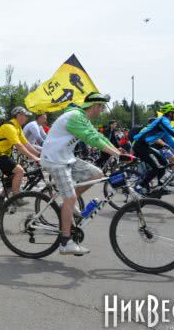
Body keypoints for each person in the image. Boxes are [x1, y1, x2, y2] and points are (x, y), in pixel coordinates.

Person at [40, 93, 129, 255]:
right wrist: (117, 155)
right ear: (95, 105)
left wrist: (119, 152)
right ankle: (65, 243)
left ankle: (66, 204)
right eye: (101, 107)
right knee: (71, 198)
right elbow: (91, 139)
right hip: (54, 160)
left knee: (96, 174)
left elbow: (98, 136)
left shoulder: (83, 118)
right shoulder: (74, 116)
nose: (102, 110)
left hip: (67, 158)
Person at [132, 104, 174, 194]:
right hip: (140, 145)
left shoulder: (164, 123)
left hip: (145, 145)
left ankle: (160, 187)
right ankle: (138, 187)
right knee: (157, 167)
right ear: (170, 113)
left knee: (164, 163)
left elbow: (170, 140)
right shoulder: (163, 121)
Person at [0, 107, 40, 198]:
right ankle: (16, 198)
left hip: (2, 155)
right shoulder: (9, 127)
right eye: (25, 116)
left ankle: (0, 200)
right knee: (19, 171)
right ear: (19, 115)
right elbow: (19, 146)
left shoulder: (17, 127)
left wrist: (38, 154)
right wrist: (34, 158)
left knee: (13, 177)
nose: (27, 118)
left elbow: (26, 143)